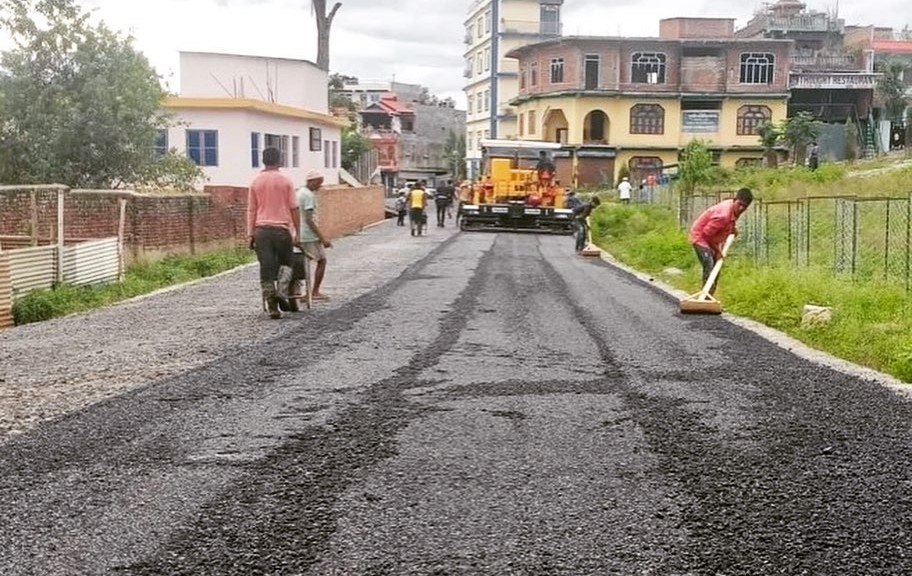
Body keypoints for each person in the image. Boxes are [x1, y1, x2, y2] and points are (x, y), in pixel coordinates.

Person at [247, 146, 300, 319]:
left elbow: (251, 210)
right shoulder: (286, 181)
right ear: (279, 160)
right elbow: (294, 208)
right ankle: (282, 292)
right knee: (287, 263)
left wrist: (250, 233)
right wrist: (297, 231)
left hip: (261, 230)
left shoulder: (255, 182)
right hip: (281, 229)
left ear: (263, 161)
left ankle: (272, 307)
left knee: (266, 268)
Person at [688, 187, 753, 295]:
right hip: (700, 237)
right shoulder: (723, 215)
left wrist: (732, 228)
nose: (741, 208)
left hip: (711, 237)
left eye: (744, 207)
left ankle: (709, 297)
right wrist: (718, 251)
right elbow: (706, 234)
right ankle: (704, 296)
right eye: (740, 204)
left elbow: (728, 222)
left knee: (716, 268)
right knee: (709, 263)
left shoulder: (732, 208)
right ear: (735, 200)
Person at [297, 169, 333, 301]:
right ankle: (314, 292)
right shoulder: (309, 196)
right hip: (309, 235)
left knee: (302, 263)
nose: (320, 186)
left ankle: (302, 291)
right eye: (318, 183)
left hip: (299, 233)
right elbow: (309, 219)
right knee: (322, 260)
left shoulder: (299, 192)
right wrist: (322, 238)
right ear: (311, 181)